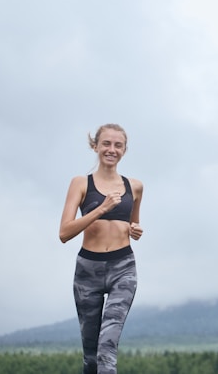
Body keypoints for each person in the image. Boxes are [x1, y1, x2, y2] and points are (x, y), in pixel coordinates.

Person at [59, 123, 144, 374]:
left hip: (123, 267)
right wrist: (100, 209)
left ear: (124, 150)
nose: (111, 149)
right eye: (106, 143)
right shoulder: (80, 183)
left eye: (118, 145)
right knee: (91, 356)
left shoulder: (135, 186)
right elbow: (64, 233)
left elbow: (133, 223)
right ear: (95, 146)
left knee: (107, 346)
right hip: (88, 270)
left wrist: (135, 230)